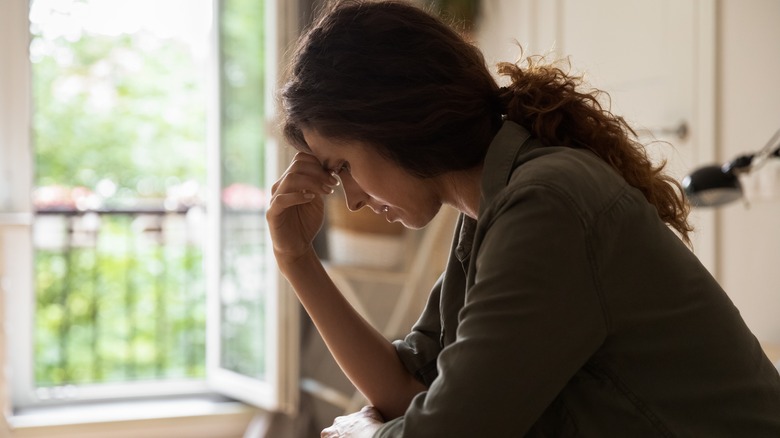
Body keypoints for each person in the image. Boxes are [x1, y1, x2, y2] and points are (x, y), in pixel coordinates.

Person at [267, 1, 780, 436]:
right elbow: (408, 386)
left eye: (344, 168)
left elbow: (449, 428)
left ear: (392, 123)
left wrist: (363, 431)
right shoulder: (490, 211)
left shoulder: (545, 204)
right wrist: (296, 259)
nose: (351, 200)